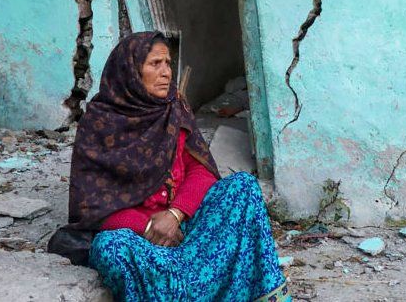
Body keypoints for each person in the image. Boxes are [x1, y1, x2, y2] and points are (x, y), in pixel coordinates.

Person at [65, 31, 289, 302]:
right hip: (146, 240)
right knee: (109, 248)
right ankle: (194, 290)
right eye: (154, 64)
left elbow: (200, 169)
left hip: (185, 227)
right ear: (131, 71)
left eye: (168, 63)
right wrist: (148, 227)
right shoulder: (99, 123)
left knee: (243, 187)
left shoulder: (174, 108)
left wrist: (176, 214)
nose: (166, 73)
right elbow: (93, 207)